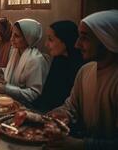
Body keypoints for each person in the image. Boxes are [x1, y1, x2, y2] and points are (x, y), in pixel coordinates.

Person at [46, 10, 118, 150]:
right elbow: (71, 107)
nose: (77, 45)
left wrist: (80, 145)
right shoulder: (85, 71)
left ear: (106, 39)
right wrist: (58, 114)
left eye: (84, 38)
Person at [0, 19, 50, 107]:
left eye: (17, 36)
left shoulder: (35, 60)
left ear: (28, 37)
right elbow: (14, 72)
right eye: (12, 35)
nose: (12, 39)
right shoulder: (16, 52)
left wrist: (7, 89)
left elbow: (34, 94)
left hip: (28, 107)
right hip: (12, 101)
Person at [33, 21, 84, 113]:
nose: (46, 44)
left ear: (65, 40)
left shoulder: (80, 66)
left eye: (50, 39)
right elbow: (47, 94)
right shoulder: (59, 59)